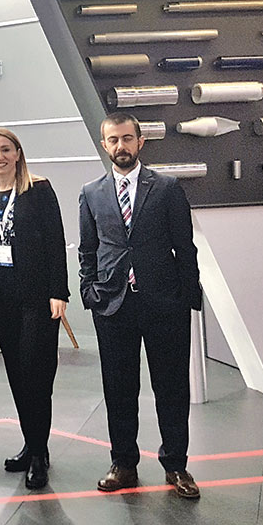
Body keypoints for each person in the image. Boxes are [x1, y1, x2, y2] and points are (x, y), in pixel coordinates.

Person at [78, 112, 202, 499]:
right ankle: (123, 463)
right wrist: (89, 291)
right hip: (112, 305)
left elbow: (185, 247)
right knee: (118, 389)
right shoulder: (91, 192)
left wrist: (187, 296)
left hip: (165, 304)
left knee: (172, 388)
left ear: (140, 141)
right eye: (113, 140)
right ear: (104, 144)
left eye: (127, 138)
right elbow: (88, 249)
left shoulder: (166, 188)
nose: (121, 146)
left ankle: (176, 464)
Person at [0, 128, 68, 490]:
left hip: (37, 298)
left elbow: (56, 242)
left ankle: (40, 455)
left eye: (5, 149)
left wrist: (58, 291)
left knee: (36, 376)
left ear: (17, 153)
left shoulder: (38, 190)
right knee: (16, 375)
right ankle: (31, 445)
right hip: (3, 300)